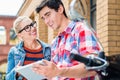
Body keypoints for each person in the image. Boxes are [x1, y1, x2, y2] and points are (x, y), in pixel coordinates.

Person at [33, 0, 101, 80]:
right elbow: (54, 74)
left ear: (60, 9)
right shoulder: (55, 42)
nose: (46, 21)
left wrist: (59, 71)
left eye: (48, 15)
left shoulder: (81, 29)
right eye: (43, 18)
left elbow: (93, 68)